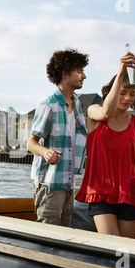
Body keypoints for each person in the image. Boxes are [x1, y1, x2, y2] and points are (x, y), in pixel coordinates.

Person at [75, 51, 135, 238]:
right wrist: (121, 72)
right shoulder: (94, 112)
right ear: (113, 90)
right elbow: (106, 114)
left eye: (132, 94)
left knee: (125, 249)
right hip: (100, 192)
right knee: (111, 245)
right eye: (122, 93)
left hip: (130, 192)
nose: (127, 98)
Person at [27, 49, 89, 226]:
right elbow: (31, 143)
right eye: (79, 71)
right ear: (64, 74)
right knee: (49, 235)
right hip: (50, 183)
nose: (84, 76)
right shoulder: (49, 105)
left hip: (68, 182)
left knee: (65, 232)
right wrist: (46, 152)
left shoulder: (76, 104)